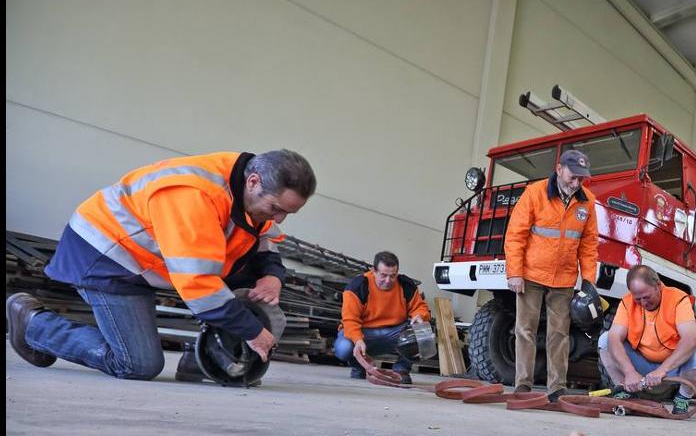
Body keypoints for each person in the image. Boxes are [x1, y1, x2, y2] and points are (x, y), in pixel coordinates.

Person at [6, 150, 315, 381]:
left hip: (152, 260)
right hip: (109, 256)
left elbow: (263, 239)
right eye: (275, 208)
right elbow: (197, 282)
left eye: (288, 213)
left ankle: (200, 361)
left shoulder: (250, 195)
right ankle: (34, 324)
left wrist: (272, 276)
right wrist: (252, 331)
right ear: (253, 181)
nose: (278, 219)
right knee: (138, 364)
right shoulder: (194, 194)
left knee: (254, 294)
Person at [503, 149, 599, 398]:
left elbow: (589, 244)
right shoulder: (534, 193)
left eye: (581, 179)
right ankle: (522, 383)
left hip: (564, 279)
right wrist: (514, 272)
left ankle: (557, 387)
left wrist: (589, 280)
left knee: (559, 334)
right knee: (525, 330)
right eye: (572, 176)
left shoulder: (587, 201)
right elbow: (515, 235)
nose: (576, 183)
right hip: (531, 275)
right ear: (559, 169)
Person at [598, 265, 696, 416]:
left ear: (658, 286)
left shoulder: (678, 299)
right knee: (605, 340)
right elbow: (614, 338)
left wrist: (662, 370)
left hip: (673, 368)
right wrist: (629, 372)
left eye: (647, 297)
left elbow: (690, 339)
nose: (643, 303)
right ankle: (625, 389)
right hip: (643, 363)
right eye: (638, 299)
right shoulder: (627, 302)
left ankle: (682, 397)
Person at [334, 251, 431, 384]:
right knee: (344, 348)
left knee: (422, 333)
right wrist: (357, 340)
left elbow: (420, 307)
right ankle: (359, 367)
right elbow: (350, 319)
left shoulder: (406, 285)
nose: (388, 280)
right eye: (383, 275)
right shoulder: (358, 286)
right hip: (364, 333)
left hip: (394, 333)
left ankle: (401, 370)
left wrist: (420, 316)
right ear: (374, 271)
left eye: (392, 276)